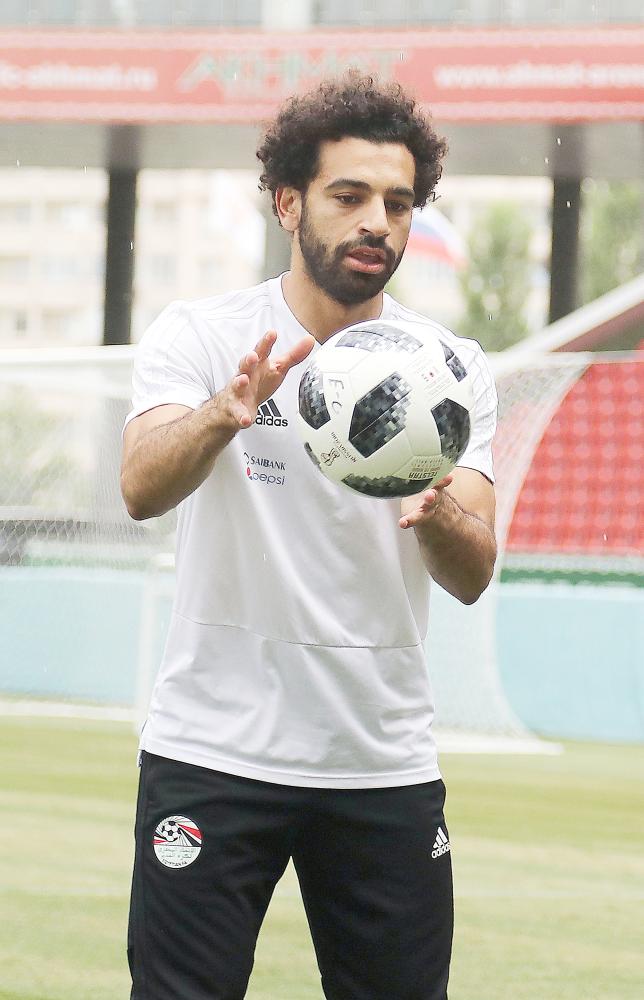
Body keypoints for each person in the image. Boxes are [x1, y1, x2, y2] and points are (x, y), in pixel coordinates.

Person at [121, 71, 497, 1000]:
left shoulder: (450, 374)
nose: (379, 221)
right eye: (350, 196)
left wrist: (438, 508)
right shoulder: (206, 338)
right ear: (288, 203)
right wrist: (223, 415)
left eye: (399, 203)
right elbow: (138, 487)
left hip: (381, 761)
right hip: (214, 752)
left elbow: (473, 571)